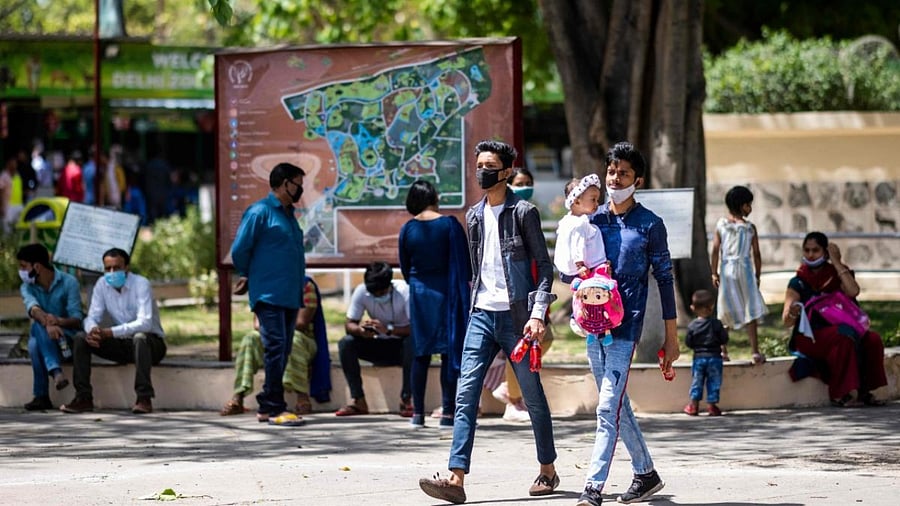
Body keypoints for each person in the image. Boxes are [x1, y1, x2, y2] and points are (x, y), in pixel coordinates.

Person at [419, 139, 559, 504]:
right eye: (479, 164)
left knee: (532, 396)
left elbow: (545, 269)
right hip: (481, 314)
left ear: (507, 171)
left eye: (489, 165)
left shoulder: (524, 212)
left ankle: (547, 469)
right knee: (466, 394)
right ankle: (456, 477)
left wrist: (537, 314)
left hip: (517, 318)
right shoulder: (474, 215)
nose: (482, 171)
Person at [576, 141, 680, 506]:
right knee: (617, 404)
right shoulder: (593, 220)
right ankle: (646, 474)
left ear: (639, 179)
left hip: (626, 328)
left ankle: (592, 488)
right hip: (593, 328)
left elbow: (665, 280)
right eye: (611, 171)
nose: (615, 178)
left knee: (606, 407)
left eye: (623, 173)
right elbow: (573, 265)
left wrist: (671, 336)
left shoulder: (651, 224)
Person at [230, 162, 307, 426]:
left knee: (282, 349)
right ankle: (274, 407)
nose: (301, 189)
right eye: (297, 183)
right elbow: (240, 249)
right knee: (275, 348)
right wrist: (248, 274)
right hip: (268, 294)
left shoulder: (288, 215)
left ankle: (267, 403)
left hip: (289, 293)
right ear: (284, 183)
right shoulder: (260, 212)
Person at [782, 232, 887, 407]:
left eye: (815, 250)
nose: (810, 255)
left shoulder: (837, 274)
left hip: (843, 331)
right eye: (806, 250)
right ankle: (841, 394)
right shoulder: (798, 282)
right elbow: (786, 320)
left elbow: (853, 291)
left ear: (825, 251)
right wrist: (792, 312)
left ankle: (864, 391)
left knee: (872, 339)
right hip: (811, 337)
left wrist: (837, 262)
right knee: (843, 336)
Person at [398, 179, 471, 429]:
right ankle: (448, 413)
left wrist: (419, 284)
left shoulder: (407, 229)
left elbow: (405, 268)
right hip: (447, 294)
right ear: (434, 197)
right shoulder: (449, 224)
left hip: (419, 295)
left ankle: (417, 413)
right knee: (447, 351)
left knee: (421, 352)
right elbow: (465, 262)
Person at [61, 248, 167, 414]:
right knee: (81, 338)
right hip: (123, 344)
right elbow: (91, 316)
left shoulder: (141, 284)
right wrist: (93, 330)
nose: (111, 272)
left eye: (116, 268)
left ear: (127, 268)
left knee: (140, 337)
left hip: (151, 345)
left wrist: (109, 332)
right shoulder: (102, 285)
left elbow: (145, 323)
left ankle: (144, 398)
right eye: (107, 268)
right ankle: (83, 398)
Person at [484, 166, 551, 423]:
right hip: (516, 296)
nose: (525, 186)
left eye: (529, 182)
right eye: (520, 182)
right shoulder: (505, 214)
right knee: (520, 347)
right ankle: (512, 399)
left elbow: (541, 260)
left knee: (542, 338)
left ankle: (512, 393)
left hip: (536, 289)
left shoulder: (529, 212)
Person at [220, 276, 331, 416]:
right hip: (271, 336)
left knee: (291, 338)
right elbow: (257, 324)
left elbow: (301, 322)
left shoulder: (305, 286)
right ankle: (238, 397)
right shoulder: (264, 286)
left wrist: (275, 327)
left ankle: (302, 396)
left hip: (303, 340)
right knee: (250, 339)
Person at [335, 261, 414, 417]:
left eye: (380, 293)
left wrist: (389, 330)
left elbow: (416, 329)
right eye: (373, 293)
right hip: (377, 344)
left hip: (401, 347)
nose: (376, 296)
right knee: (346, 343)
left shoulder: (405, 291)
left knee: (413, 343)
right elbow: (349, 324)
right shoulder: (362, 291)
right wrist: (361, 331)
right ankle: (358, 400)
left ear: (389, 286)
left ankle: (407, 399)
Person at [16, 244, 84, 411]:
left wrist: (58, 322)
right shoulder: (27, 287)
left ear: (37, 266)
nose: (21, 271)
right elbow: (33, 309)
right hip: (46, 339)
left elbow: (77, 319)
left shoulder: (69, 282)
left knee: (35, 339)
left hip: (67, 344)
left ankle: (42, 395)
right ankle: (55, 373)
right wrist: (48, 324)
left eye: (23, 266)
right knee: (35, 337)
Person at [710, 185, 767, 365]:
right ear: (742, 205)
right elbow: (756, 254)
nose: (750, 208)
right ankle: (755, 351)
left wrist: (714, 272)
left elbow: (715, 250)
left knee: (726, 307)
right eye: (748, 204)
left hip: (727, 272)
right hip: (745, 272)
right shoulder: (750, 228)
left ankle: (723, 351)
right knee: (750, 309)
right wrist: (757, 275)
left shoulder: (721, 225)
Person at [683, 289, 729, 417]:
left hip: (699, 358)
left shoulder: (692, 326)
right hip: (715, 358)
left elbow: (688, 342)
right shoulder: (717, 324)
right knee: (714, 381)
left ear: (693, 308)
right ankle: (712, 406)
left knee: (697, 381)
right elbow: (724, 339)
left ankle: (694, 405)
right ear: (711, 307)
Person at [554, 174, 606, 279]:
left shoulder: (567, 220)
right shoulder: (580, 223)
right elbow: (578, 244)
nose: (597, 204)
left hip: (568, 269)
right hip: (583, 269)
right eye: (593, 199)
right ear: (577, 201)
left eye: (597, 200)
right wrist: (580, 265)